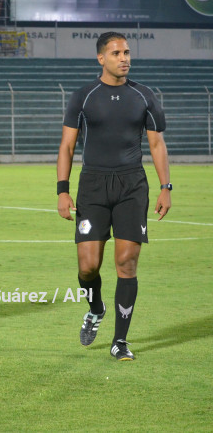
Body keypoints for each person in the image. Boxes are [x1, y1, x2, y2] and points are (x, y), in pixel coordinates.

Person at [57, 32, 171, 362]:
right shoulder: (84, 96)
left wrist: (166, 186)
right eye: (117, 52)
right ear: (101, 59)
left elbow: (156, 145)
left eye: (127, 52)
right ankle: (96, 308)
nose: (124, 57)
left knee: (126, 263)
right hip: (92, 186)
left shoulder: (144, 96)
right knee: (88, 266)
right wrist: (62, 191)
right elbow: (66, 146)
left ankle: (120, 342)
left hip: (132, 186)